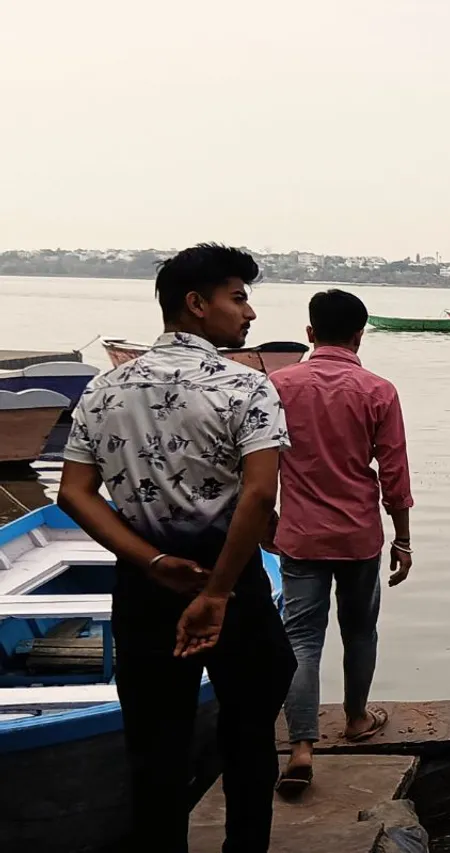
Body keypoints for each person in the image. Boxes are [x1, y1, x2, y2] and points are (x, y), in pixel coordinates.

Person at [56, 243, 296, 852]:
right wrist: (215, 592)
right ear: (197, 304)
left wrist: (153, 562)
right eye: (238, 297)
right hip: (231, 588)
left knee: (154, 755)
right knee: (247, 749)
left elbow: (74, 495)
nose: (250, 313)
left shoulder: (104, 389)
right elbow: (259, 497)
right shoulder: (246, 387)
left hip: (145, 590)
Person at [269, 288, 414, 794]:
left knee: (301, 640)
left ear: (309, 333)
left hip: (300, 534)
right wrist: (404, 539)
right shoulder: (377, 390)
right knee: (359, 631)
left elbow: (256, 463)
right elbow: (394, 471)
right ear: (360, 335)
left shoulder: (277, 385)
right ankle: (355, 719)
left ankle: (302, 748)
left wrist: (266, 520)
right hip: (357, 534)